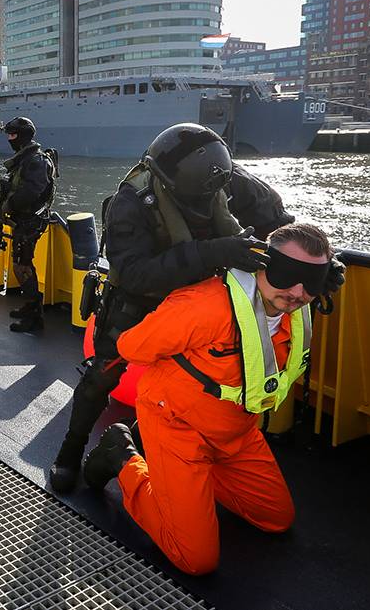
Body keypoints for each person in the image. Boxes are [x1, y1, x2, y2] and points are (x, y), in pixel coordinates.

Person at [48, 123, 343, 492]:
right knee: (101, 376)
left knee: (197, 386)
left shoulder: (230, 181)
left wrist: (319, 269)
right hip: (141, 299)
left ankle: (126, 443)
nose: (204, 202)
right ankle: (71, 450)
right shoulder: (132, 202)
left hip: (209, 300)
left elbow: (282, 228)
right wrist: (214, 252)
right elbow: (135, 273)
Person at [80, 222, 336, 576]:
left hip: (235, 432)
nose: (297, 292)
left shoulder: (298, 311)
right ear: (261, 263)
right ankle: (121, 456)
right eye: (287, 274)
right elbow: (132, 347)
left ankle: (191, 484)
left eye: (311, 281)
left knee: (276, 519)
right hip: (178, 425)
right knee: (196, 558)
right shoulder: (204, 306)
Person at [0, 117, 56, 333]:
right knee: (22, 263)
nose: (10, 139)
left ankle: (35, 317)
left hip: (31, 221)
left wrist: (8, 206)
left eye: (13, 135)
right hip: (23, 220)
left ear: (22, 136)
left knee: (23, 266)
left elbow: (31, 192)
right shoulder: (25, 159)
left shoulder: (36, 161)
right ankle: (30, 306)